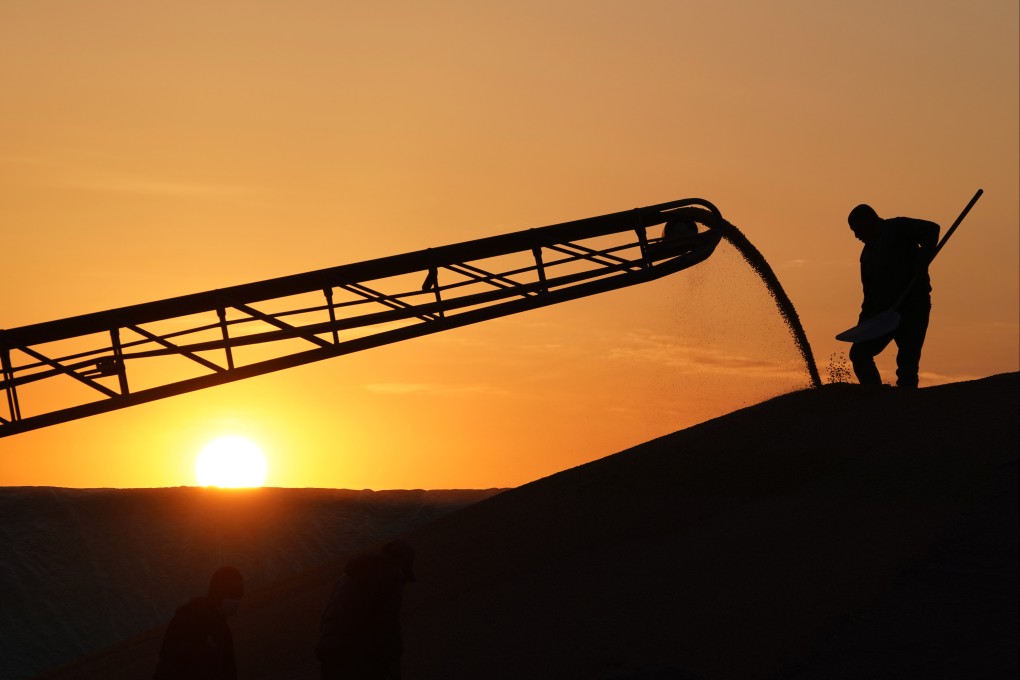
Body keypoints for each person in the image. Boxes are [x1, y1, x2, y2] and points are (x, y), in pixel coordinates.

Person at [846, 204, 940, 388]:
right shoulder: (867, 256)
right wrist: (863, 327)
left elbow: (932, 229)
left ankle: (905, 405)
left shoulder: (897, 228)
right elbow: (869, 295)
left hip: (913, 305)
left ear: (868, 221)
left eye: (857, 230)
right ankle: (875, 395)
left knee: (907, 363)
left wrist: (922, 260)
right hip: (885, 314)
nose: (856, 236)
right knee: (859, 353)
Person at [316, 540, 416, 680]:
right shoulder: (391, 571)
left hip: (327, 647)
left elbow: (326, 616)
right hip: (353, 650)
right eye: (406, 572)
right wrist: (395, 658)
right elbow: (389, 621)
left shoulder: (346, 577)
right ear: (402, 560)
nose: (404, 579)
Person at [153, 566, 244, 680]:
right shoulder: (188, 620)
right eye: (233, 595)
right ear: (219, 592)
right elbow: (170, 663)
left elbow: (228, 671)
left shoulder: (223, 631)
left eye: (239, 596)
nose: (237, 602)